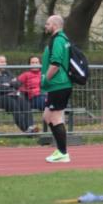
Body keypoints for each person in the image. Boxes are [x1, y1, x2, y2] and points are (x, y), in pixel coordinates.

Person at [41, 15, 72, 162]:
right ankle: (61, 151)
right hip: (57, 85)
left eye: (47, 24)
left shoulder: (59, 40)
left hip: (59, 84)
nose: (45, 26)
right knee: (48, 116)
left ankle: (62, 152)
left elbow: (55, 63)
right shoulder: (60, 39)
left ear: (54, 25)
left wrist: (45, 79)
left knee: (55, 117)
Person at [0, 55, 37, 134]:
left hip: (10, 95)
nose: (4, 64)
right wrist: (10, 85)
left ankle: (31, 127)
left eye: (5, 62)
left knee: (24, 102)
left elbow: (18, 83)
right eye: (1, 62)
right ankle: (26, 129)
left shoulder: (7, 73)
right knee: (13, 103)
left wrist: (9, 84)